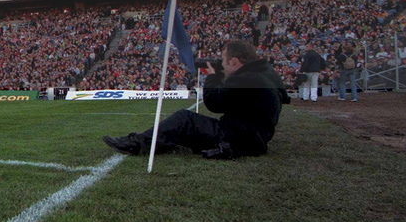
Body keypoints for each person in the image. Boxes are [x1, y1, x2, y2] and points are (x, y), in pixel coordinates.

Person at [103, 40, 288, 158]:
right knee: (189, 126)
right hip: (255, 136)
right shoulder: (266, 73)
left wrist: (212, 76)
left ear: (234, 61)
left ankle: (137, 143)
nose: (222, 64)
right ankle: (158, 142)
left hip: (239, 138)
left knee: (184, 118)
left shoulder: (247, 78)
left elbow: (214, 102)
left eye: (223, 60)